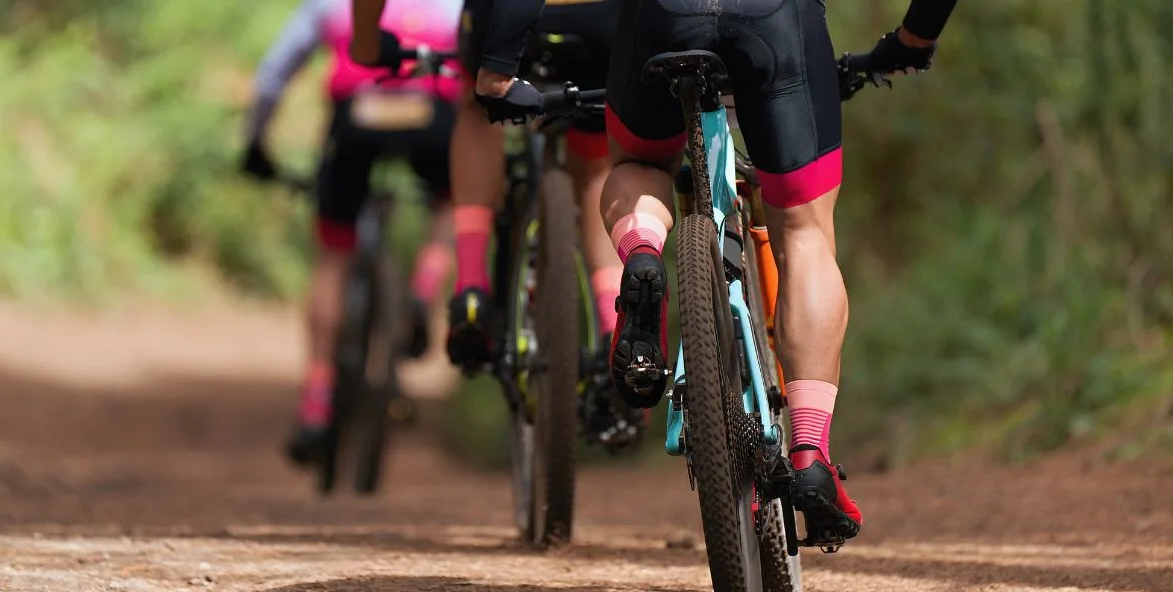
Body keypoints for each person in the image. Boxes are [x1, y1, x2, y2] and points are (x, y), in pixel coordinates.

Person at [461, 0, 961, 543]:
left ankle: (645, 251)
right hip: (776, 21)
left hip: (662, 19)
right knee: (803, 231)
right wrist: (915, 37)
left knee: (639, 165)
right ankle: (810, 451)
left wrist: (497, 69)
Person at [351, 0, 643, 446]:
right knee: (595, 163)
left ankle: (470, 287)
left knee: (475, 109)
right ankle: (612, 324)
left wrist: (368, 44)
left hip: (503, 23)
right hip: (601, 20)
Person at [241, 0, 463, 464]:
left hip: (356, 115)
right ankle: (424, 288)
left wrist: (256, 144)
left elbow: (273, 76)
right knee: (451, 202)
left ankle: (317, 405)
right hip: (432, 111)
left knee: (334, 257)